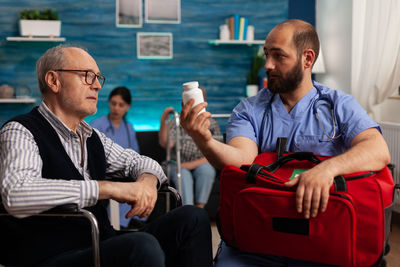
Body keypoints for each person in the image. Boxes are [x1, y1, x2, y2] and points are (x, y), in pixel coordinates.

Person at [180, 19, 390, 266]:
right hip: (260, 240)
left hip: (323, 239)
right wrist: (204, 139)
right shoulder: (249, 110)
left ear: (307, 59)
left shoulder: (339, 105)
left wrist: (326, 170)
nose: (268, 65)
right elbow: (242, 159)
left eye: (279, 56)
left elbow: (377, 150)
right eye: (267, 54)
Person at [0, 45, 213, 267]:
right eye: (86, 76)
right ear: (54, 80)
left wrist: (146, 183)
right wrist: (109, 188)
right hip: (51, 255)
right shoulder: (20, 130)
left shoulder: (93, 137)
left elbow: (142, 162)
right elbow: (17, 194)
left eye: (98, 78)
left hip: (99, 244)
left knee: (193, 218)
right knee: (141, 246)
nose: (97, 85)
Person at [158, 87, 220, 208]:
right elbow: (166, 144)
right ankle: (188, 211)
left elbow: (214, 153)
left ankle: (199, 209)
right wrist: (164, 118)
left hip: (201, 162)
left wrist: (189, 165)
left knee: (207, 170)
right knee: (183, 174)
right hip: (177, 163)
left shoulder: (211, 123)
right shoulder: (177, 121)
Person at [90, 86, 141, 229]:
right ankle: (119, 224)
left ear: (127, 107)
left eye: (121, 105)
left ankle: (129, 223)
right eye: (113, 103)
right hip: (104, 175)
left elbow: (136, 154)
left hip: (125, 174)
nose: (116, 108)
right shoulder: (96, 125)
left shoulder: (129, 128)